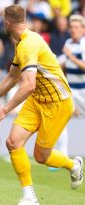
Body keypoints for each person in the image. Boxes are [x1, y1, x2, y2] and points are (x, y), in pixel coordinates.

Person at [0, 5, 83, 205]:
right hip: (37, 99)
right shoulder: (23, 42)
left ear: (7, 23)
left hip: (57, 102)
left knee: (41, 156)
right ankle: (29, 197)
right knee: (13, 142)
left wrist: (4, 110)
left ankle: (73, 165)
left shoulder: (28, 44)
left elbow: (28, 84)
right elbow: (12, 77)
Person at [50, 14, 85, 171]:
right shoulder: (68, 42)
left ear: (83, 29)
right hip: (72, 90)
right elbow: (62, 63)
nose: (74, 30)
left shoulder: (84, 44)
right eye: (72, 27)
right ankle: (62, 156)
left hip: (83, 89)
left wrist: (70, 56)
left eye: (77, 27)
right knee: (61, 118)